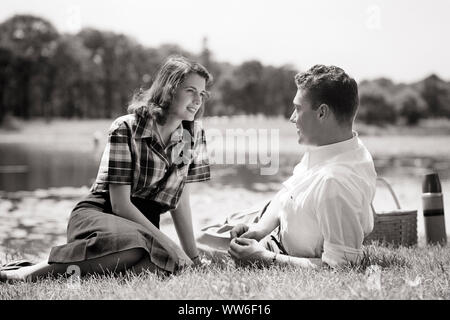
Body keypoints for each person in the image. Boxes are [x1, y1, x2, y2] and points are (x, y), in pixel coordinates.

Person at [1, 55, 213, 283]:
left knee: (161, 265)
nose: (197, 100)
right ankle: (25, 275)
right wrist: (169, 243)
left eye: (202, 93)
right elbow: (120, 205)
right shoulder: (127, 127)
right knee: (139, 247)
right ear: (169, 89)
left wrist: (192, 256)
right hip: (101, 214)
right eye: (190, 90)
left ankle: (76, 272)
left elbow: (180, 201)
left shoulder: (193, 136)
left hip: (145, 226)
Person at [198, 64, 377, 269]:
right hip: (270, 222)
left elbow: (341, 267)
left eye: (298, 108)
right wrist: (260, 228)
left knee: (196, 245)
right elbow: (289, 190)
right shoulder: (332, 147)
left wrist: (263, 257)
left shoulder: (335, 183)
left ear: (322, 113)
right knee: (202, 236)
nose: (292, 117)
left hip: (277, 248)